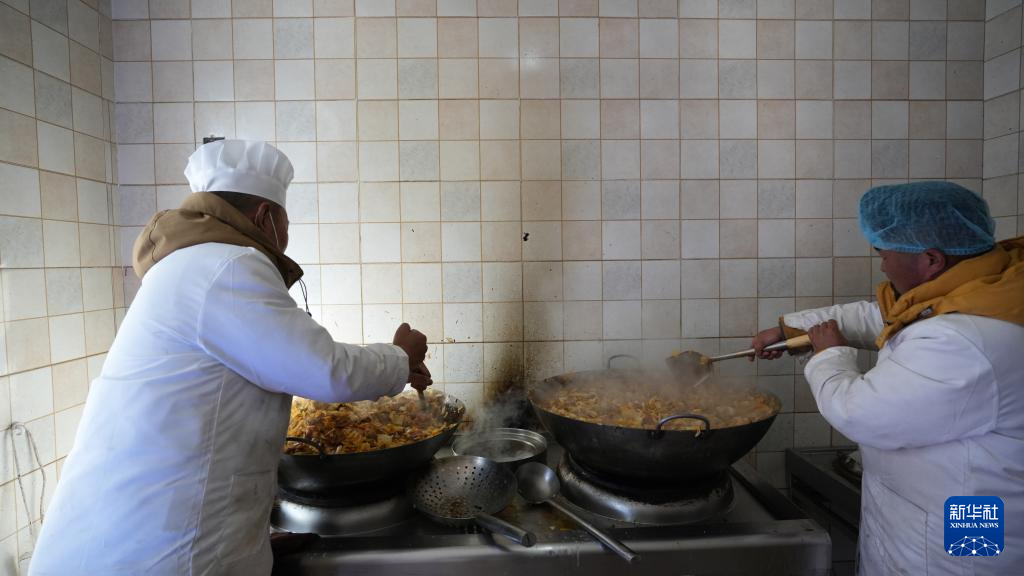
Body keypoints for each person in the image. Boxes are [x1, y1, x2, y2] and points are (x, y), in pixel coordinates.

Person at [29, 140, 433, 575]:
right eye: (286, 222)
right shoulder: (228, 265)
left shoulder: (190, 264)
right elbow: (327, 371)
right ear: (264, 216)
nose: (286, 236)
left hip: (139, 534)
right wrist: (401, 355)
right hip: (155, 552)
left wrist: (249, 537)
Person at [751, 181, 1024, 575]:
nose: (882, 265)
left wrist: (828, 355)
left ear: (931, 259)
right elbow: (884, 316)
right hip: (937, 499)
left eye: (884, 254)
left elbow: (861, 413)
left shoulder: (965, 341)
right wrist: (792, 330)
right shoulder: (981, 288)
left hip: (963, 525)